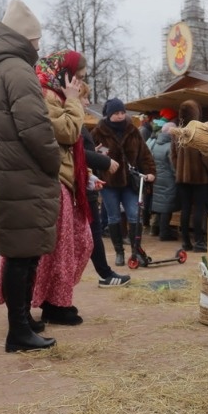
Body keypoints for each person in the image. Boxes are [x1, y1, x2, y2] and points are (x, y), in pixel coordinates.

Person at [0, 0, 63, 351]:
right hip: (20, 173)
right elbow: (34, 127)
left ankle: (23, 322)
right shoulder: (17, 69)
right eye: (36, 39)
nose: (39, 46)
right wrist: (53, 163)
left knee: (18, 251)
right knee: (25, 253)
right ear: (26, 38)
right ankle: (19, 330)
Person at [32, 49, 93, 325]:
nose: (79, 83)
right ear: (64, 74)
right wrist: (73, 100)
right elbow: (68, 132)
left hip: (65, 179)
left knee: (76, 242)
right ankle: (53, 302)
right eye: (77, 77)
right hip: (53, 179)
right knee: (60, 246)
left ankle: (56, 299)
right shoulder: (47, 96)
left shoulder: (54, 94)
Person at [92, 98, 156, 267]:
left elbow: (144, 154)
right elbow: (87, 153)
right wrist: (98, 157)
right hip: (109, 182)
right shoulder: (98, 131)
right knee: (114, 217)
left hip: (130, 181)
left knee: (135, 214)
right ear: (108, 115)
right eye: (116, 113)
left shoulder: (133, 130)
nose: (120, 116)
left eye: (122, 112)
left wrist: (150, 172)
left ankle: (136, 251)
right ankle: (119, 252)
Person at [80, 91, 131, 287]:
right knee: (102, 225)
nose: (87, 101)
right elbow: (74, 152)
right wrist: (103, 160)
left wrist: (90, 176)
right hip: (85, 186)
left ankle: (107, 272)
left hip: (90, 183)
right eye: (84, 97)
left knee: (94, 232)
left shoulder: (78, 121)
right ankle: (108, 269)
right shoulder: (73, 122)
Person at [173, 99, 208, 252]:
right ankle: (199, 242)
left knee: (185, 209)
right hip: (200, 178)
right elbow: (206, 156)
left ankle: (185, 242)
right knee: (199, 210)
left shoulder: (177, 132)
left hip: (182, 179)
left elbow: (173, 156)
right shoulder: (199, 131)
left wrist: (180, 170)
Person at [149, 121, 178, 241]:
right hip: (169, 180)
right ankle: (164, 233)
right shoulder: (170, 146)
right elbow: (173, 166)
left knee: (161, 206)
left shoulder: (156, 144)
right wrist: (178, 177)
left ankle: (157, 229)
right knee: (167, 207)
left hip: (158, 179)